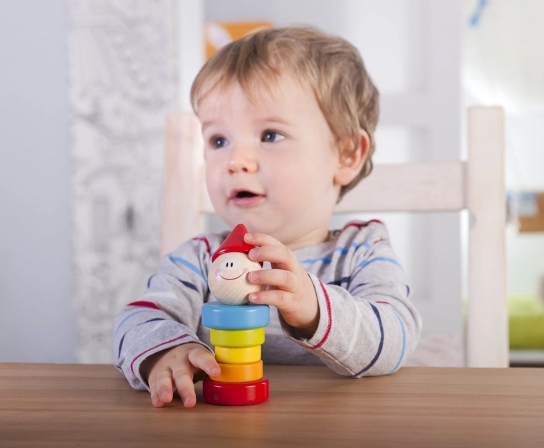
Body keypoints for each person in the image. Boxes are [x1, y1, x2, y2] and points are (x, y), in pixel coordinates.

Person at [113, 26, 422, 408]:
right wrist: (165, 352)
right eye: (218, 141)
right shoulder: (200, 258)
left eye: (271, 135)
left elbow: (396, 338)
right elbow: (137, 319)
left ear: (346, 155)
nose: (235, 161)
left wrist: (312, 306)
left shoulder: (362, 249)